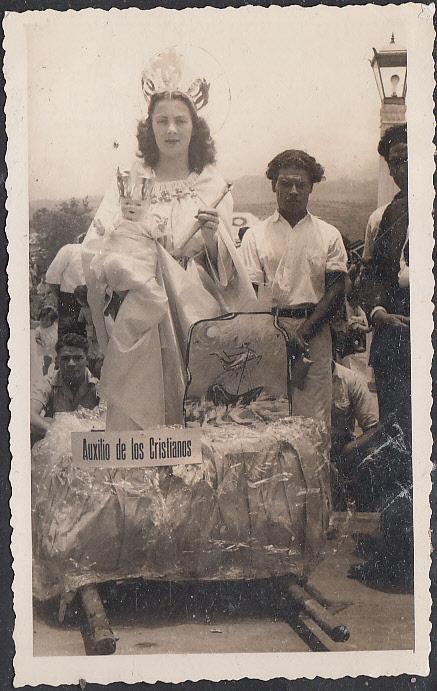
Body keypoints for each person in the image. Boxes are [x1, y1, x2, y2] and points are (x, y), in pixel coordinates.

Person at [83, 49, 255, 430]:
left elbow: (225, 263)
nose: (172, 130)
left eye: (181, 120)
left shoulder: (209, 179)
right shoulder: (133, 176)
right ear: (150, 126)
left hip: (196, 309)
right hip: (143, 311)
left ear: (196, 127)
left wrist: (212, 238)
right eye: (162, 121)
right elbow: (97, 241)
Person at [241, 149, 348, 428]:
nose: (293, 190)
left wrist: (303, 332)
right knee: (268, 420)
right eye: (285, 183)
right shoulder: (254, 236)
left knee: (313, 422)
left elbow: (336, 290)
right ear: (274, 185)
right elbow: (251, 292)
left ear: (311, 187)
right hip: (269, 335)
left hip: (314, 334)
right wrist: (279, 333)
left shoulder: (328, 234)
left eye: (301, 184)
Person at [350, 123, 412, 590]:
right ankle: (398, 551)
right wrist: (376, 311)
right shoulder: (383, 216)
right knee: (397, 440)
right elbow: (368, 276)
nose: (401, 166)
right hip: (393, 346)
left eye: (408, 156)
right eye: (393, 160)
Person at [30, 332, 99, 442]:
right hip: (56, 444)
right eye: (66, 358)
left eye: (78, 358)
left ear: (87, 360)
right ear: (57, 360)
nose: (71, 363)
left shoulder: (98, 386)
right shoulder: (48, 382)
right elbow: (29, 414)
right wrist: (59, 431)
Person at [330, 358, 379, 509]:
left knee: (370, 459)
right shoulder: (297, 377)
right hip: (308, 448)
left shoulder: (351, 379)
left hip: (341, 448)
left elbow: (373, 428)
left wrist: (349, 448)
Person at [45, 233, 86, 336]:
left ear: (77, 240)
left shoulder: (69, 249)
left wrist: (60, 296)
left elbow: (51, 277)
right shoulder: (99, 250)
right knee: (89, 340)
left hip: (68, 298)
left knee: (67, 339)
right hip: (92, 299)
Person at [74, 285, 103, 378]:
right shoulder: (95, 307)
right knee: (96, 350)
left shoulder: (84, 310)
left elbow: (80, 321)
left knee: (92, 352)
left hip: (91, 332)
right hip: (97, 331)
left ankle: (94, 371)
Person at [34, 305, 58, 375]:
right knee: (47, 362)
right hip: (46, 349)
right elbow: (37, 339)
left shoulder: (54, 327)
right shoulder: (39, 329)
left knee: (56, 363)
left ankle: (54, 375)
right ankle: (45, 374)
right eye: (42, 320)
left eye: (47, 320)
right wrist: (41, 342)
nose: (44, 322)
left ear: (52, 321)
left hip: (54, 348)